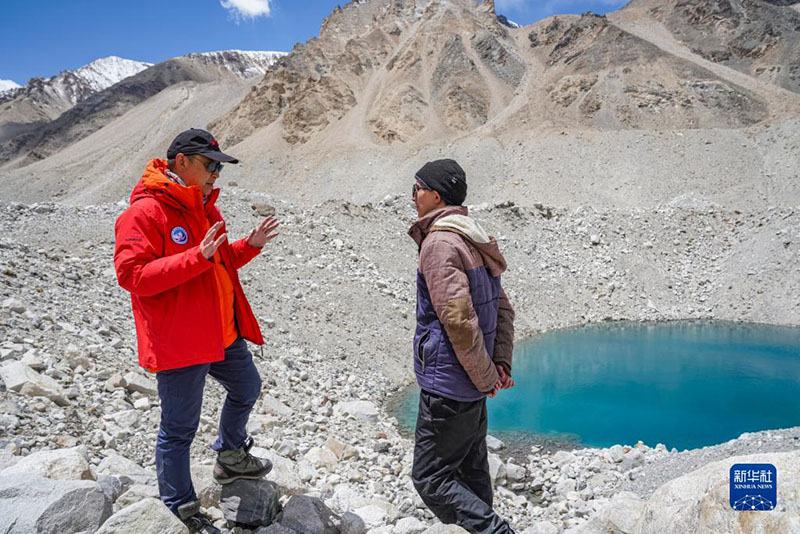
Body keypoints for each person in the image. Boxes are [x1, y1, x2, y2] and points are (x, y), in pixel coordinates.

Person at [114, 128, 279, 533]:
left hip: (221, 334)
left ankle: (230, 454)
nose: (215, 175)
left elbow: (218, 262)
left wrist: (249, 245)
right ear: (182, 161)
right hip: (182, 341)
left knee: (247, 388)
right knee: (179, 429)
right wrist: (195, 257)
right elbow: (132, 275)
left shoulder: (204, 206)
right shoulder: (145, 213)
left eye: (218, 168)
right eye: (210, 166)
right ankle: (180, 506)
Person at [408, 159, 516, 534]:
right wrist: (498, 365)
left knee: (430, 477)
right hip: (471, 383)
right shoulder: (473, 236)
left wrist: (487, 375)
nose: (413, 197)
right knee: (471, 471)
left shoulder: (439, 243)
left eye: (416, 189)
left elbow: (458, 321)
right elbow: (503, 308)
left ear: (435, 195)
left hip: (448, 384)